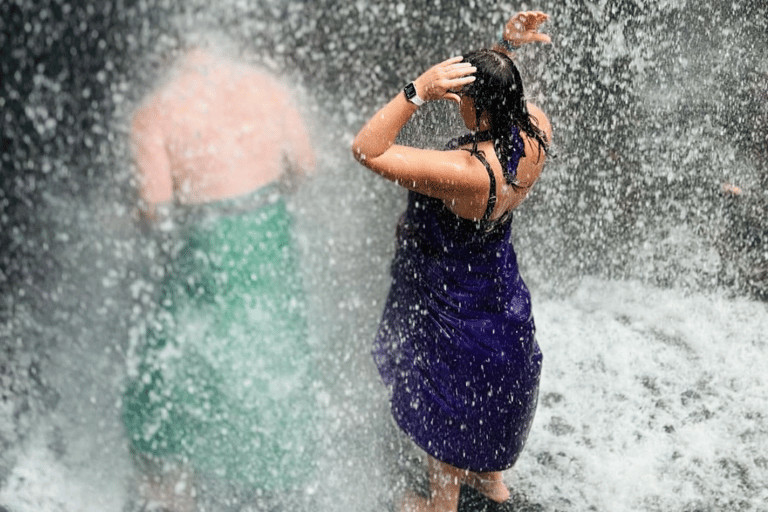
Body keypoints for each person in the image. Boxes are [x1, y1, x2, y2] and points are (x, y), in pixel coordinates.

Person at [351, 11, 552, 512]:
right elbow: (500, 99)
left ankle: (439, 505)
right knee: (493, 380)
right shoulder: (534, 133)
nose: (457, 103)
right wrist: (505, 50)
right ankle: (490, 479)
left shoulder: (467, 173)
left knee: (451, 397)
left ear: (475, 110)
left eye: (463, 99)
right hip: (499, 290)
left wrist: (416, 90)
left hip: (455, 301)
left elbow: (367, 149)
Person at [122, 48, 317, 511]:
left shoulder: (155, 110)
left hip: (209, 244)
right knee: (274, 353)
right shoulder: (267, 87)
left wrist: (129, 219)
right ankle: (273, 492)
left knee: (166, 379)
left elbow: (156, 206)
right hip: (269, 235)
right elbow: (305, 167)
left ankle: (174, 498)